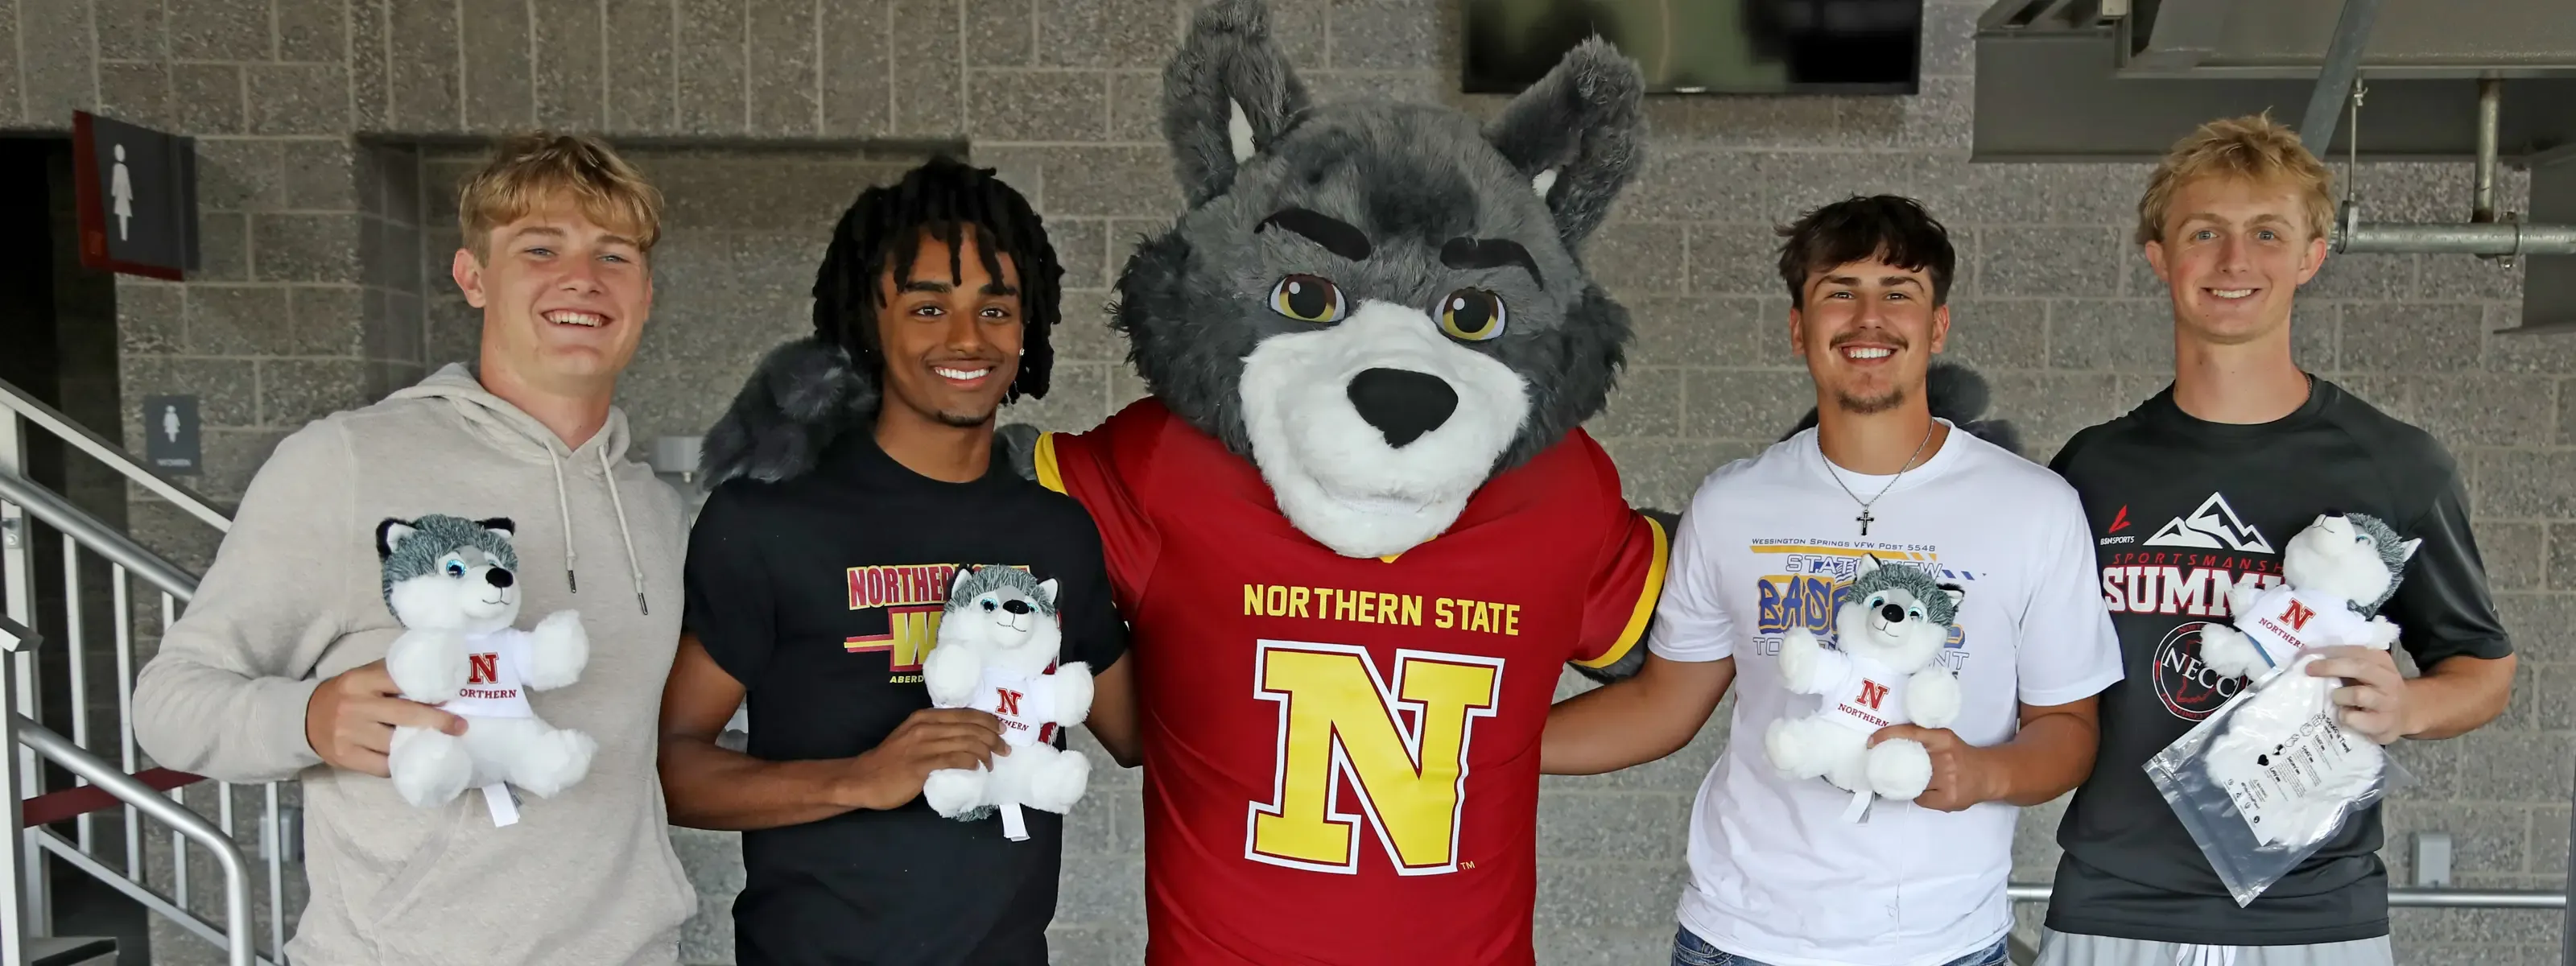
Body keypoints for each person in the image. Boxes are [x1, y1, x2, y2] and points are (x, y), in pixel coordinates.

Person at [131, 132, 696, 964]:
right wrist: (310, 719)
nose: (582, 277)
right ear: (473, 277)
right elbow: (169, 707)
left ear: (645, 293)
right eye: (540, 248)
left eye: (613, 255)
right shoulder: (347, 463)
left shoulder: (654, 509)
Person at [1540, 195, 2125, 966]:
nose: (1868, 317)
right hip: (1738, 938)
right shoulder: (1734, 504)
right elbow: (1662, 706)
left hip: (1939, 945)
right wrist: (1483, 742)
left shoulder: (2033, 508)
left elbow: (2070, 731)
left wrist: (1985, 769)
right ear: (1799, 328)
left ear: (1937, 326)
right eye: (1839, 291)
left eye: (1899, 292)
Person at [2037, 114, 2519, 966]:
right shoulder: (2092, 468)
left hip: (2313, 912)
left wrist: (2407, 707)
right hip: (2115, 902)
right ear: (2158, 256)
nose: (2233, 261)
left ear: (2310, 256)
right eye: (2203, 233)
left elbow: (2481, 668)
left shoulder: (2394, 465)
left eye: (2266, 233)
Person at [658, 157, 1138, 966]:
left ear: (1028, 330)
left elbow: (1144, 733)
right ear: (866, 323)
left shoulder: (1055, 534)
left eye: (995, 307)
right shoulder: (769, 520)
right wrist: (858, 780)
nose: (966, 338)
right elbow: (671, 767)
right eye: (926, 306)